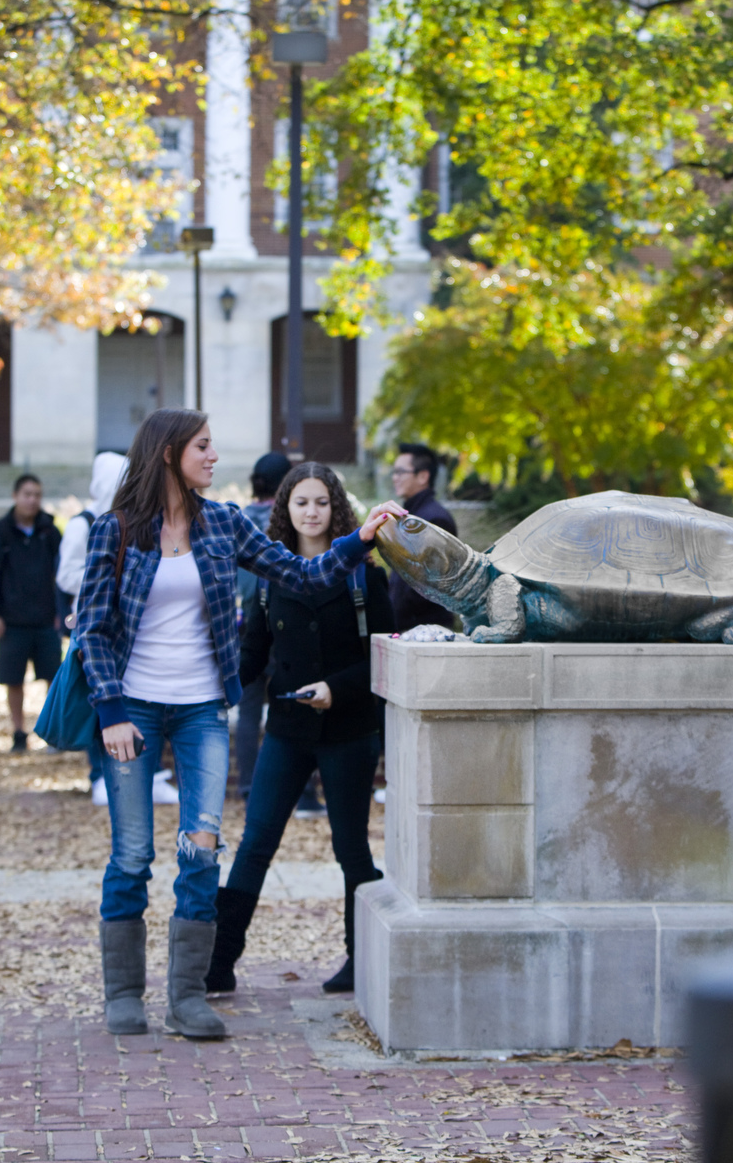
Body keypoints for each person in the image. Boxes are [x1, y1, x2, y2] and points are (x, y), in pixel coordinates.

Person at [73, 407, 405, 1039]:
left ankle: (189, 995)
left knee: (201, 852)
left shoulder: (222, 524)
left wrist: (361, 541)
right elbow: (90, 627)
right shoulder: (116, 530)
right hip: (132, 709)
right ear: (170, 453)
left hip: (202, 711)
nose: (214, 456)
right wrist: (111, 711)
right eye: (203, 446)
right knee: (134, 854)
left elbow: (304, 577)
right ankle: (123, 993)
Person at [207, 463, 397, 997]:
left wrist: (338, 688)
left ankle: (361, 962)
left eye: (320, 502)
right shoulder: (269, 577)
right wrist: (207, 693)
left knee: (351, 849)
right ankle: (219, 963)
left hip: (349, 731)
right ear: (284, 510)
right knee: (255, 844)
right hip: (287, 729)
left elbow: (383, 657)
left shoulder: (366, 574)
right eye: (300, 503)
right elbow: (251, 656)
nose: (311, 512)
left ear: (336, 508)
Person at [57, 452, 129, 805]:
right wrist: (104, 578)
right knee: (98, 699)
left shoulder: (134, 520)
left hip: (128, 625)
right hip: (92, 623)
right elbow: (66, 575)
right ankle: (99, 774)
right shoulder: (82, 524)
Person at [0, 474, 64, 754]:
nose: (32, 500)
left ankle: (52, 731)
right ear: (15, 496)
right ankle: (18, 730)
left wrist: (60, 611)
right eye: (27, 494)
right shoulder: (0, 533)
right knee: (13, 679)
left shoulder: (49, 531)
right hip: (13, 620)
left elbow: (62, 573)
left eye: (37, 495)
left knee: (53, 676)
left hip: (45, 618)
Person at [234, 452, 298, 801]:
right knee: (287, 700)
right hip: (282, 619)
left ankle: (247, 783)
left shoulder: (241, 518)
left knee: (247, 707)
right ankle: (287, 783)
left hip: (244, 622)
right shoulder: (286, 520)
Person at [387, 443, 458, 632]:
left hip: (425, 631)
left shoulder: (434, 519)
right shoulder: (412, 516)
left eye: (400, 472)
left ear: (423, 476)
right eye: (394, 472)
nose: (395, 478)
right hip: (410, 628)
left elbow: (429, 584)